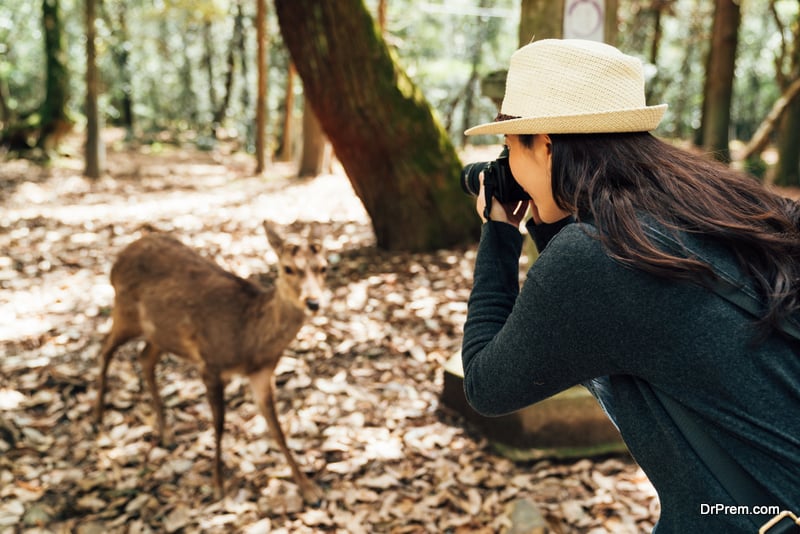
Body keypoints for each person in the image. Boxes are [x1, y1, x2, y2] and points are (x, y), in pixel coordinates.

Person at [461, 39, 800, 533]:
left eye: (511, 144)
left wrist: (499, 233)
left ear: (547, 143)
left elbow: (485, 385)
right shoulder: (716, 203)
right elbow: (612, 303)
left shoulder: (594, 259)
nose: (508, 161)